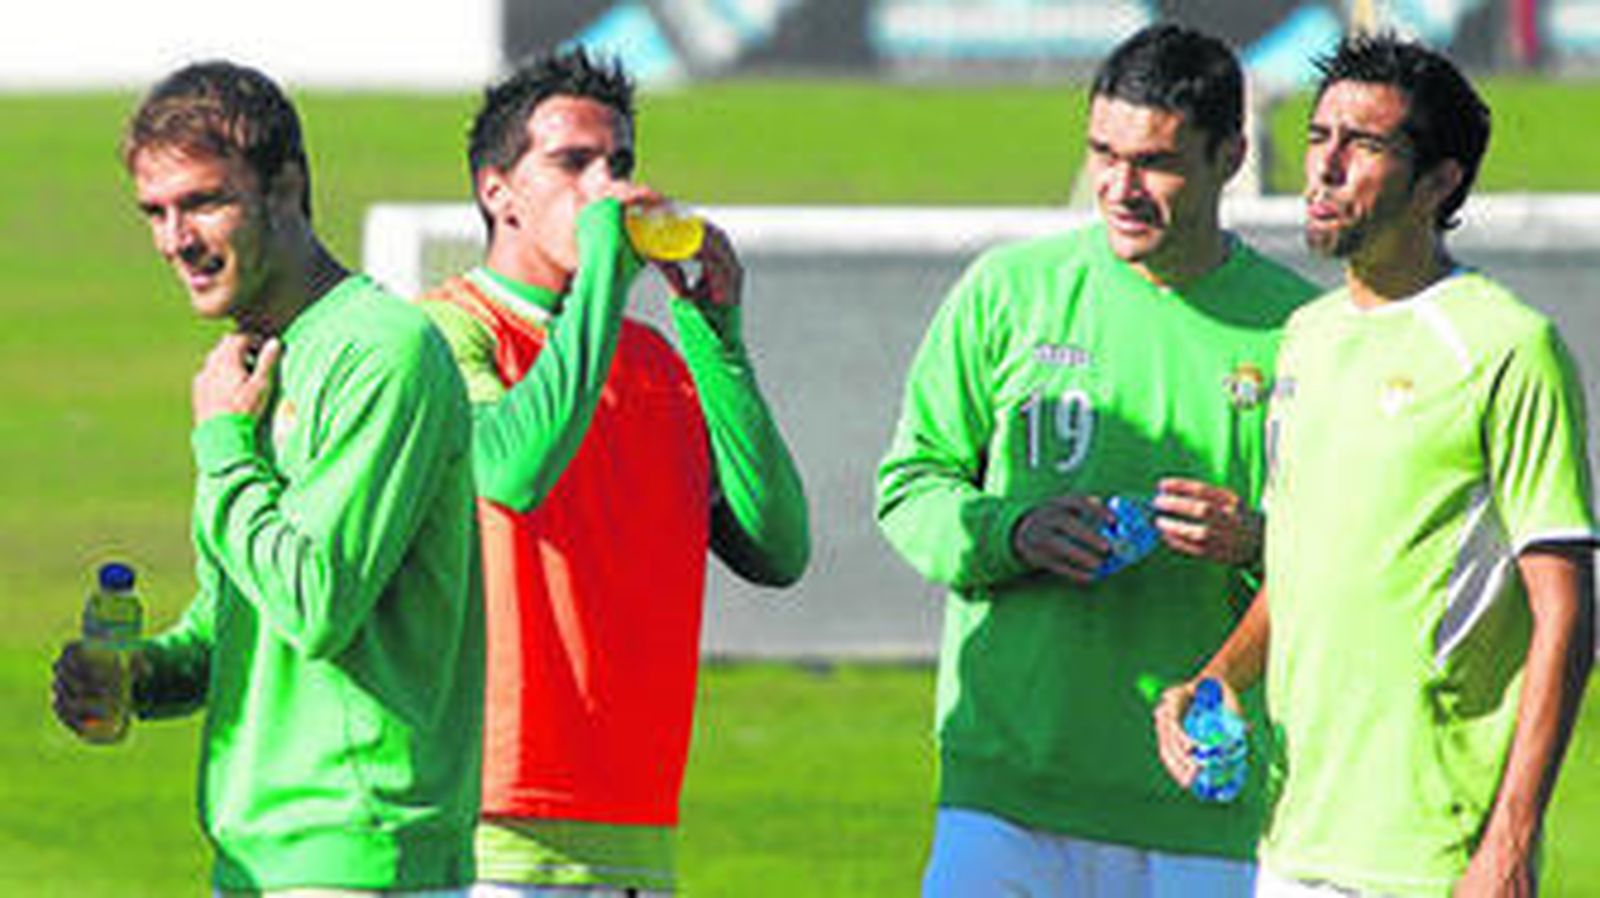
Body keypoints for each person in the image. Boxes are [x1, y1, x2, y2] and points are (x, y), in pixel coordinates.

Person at [875, 23, 1319, 898]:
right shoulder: (1008, 292)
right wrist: (1013, 533)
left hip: (1201, 806)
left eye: (1154, 163)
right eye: (1103, 153)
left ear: (1230, 158)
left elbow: (1345, 556)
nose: (1120, 188)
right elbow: (909, 487)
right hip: (1003, 798)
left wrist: (1258, 541)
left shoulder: (1302, 333)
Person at [1153, 34, 1597, 897]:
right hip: (1293, 843)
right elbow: (1305, 567)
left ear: (1438, 182)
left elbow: (1565, 609)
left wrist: (1510, 840)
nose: (1324, 167)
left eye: (1361, 144)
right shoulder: (1307, 339)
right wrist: (1219, 677)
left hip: (1434, 856)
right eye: (1320, 136)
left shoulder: (1508, 347)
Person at [49, 61, 484, 896]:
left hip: (359, 851)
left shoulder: (381, 352)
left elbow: (315, 602)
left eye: (202, 202)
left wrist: (222, 446)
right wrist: (138, 675)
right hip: (260, 856)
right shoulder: (253, 363)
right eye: (155, 212)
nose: (175, 239)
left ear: (285, 188)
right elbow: (237, 620)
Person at [414, 48, 810, 897]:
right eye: (572, 162)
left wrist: (716, 339)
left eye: (618, 163)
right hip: (492, 828)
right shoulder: (444, 335)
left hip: (637, 829)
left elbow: (779, 547)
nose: (606, 187)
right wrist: (603, 273)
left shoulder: (654, 361)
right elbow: (512, 471)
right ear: (498, 191)